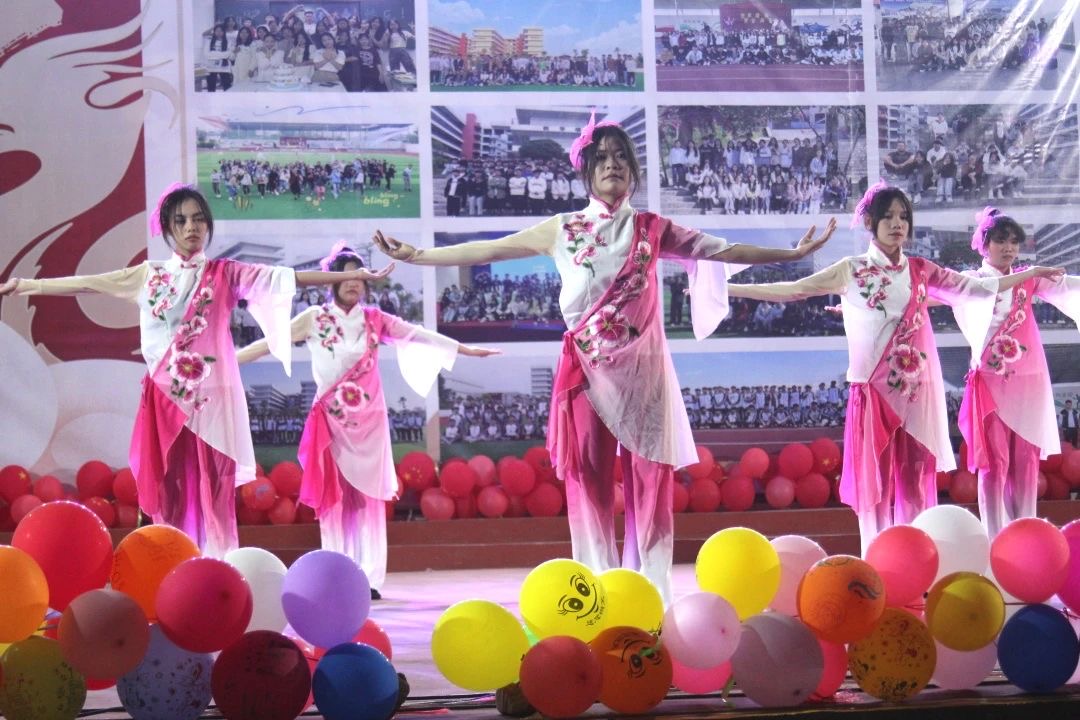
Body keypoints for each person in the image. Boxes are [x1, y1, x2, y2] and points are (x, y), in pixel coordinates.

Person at [372, 114, 837, 602]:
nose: (612, 165)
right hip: (587, 375)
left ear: (632, 171)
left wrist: (790, 255)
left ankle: (650, 595)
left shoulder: (652, 228)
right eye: (601, 159)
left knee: (650, 484)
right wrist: (417, 256)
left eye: (620, 157)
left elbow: (723, 250)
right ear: (586, 173)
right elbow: (490, 249)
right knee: (590, 483)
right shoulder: (563, 228)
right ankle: (596, 592)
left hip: (645, 375)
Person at [0, 184, 394, 558]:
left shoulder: (225, 273)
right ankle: (173, 565)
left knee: (216, 490)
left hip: (213, 405)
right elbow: (88, 284)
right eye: (181, 220)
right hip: (166, 402)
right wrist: (25, 285)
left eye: (198, 219)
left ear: (207, 225)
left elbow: (287, 278)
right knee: (171, 489)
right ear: (168, 229)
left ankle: (221, 568)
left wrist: (349, 275)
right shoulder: (150, 275)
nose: (191, 227)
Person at [725, 182, 1063, 554]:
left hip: (918, 393)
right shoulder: (851, 269)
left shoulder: (921, 269)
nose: (897, 223)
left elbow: (978, 289)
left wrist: (1030, 274)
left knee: (916, 480)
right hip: (875, 392)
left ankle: (918, 557)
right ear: (870, 222)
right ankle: (878, 559)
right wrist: (731, 291)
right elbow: (794, 289)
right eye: (888, 217)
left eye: (903, 216)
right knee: (877, 487)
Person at [237, 243, 497, 598]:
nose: (353, 282)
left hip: (370, 425)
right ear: (331, 281)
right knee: (335, 502)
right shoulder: (314, 318)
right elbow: (270, 343)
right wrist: (228, 360)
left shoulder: (376, 319)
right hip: (332, 423)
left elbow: (418, 334)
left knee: (369, 504)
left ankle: (369, 579)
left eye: (359, 277)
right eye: (346, 276)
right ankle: (337, 573)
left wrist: (465, 349)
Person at [955, 208, 1079, 536]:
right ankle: (995, 538)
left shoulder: (1029, 278)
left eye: (1013, 241)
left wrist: (1034, 274)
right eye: (1000, 241)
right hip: (990, 385)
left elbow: (1068, 287)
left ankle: (1025, 533)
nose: (1008, 247)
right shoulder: (973, 279)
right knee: (994, 464)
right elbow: (933, 294)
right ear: (984, 245)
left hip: (1028, 384)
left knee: (1026, 464)